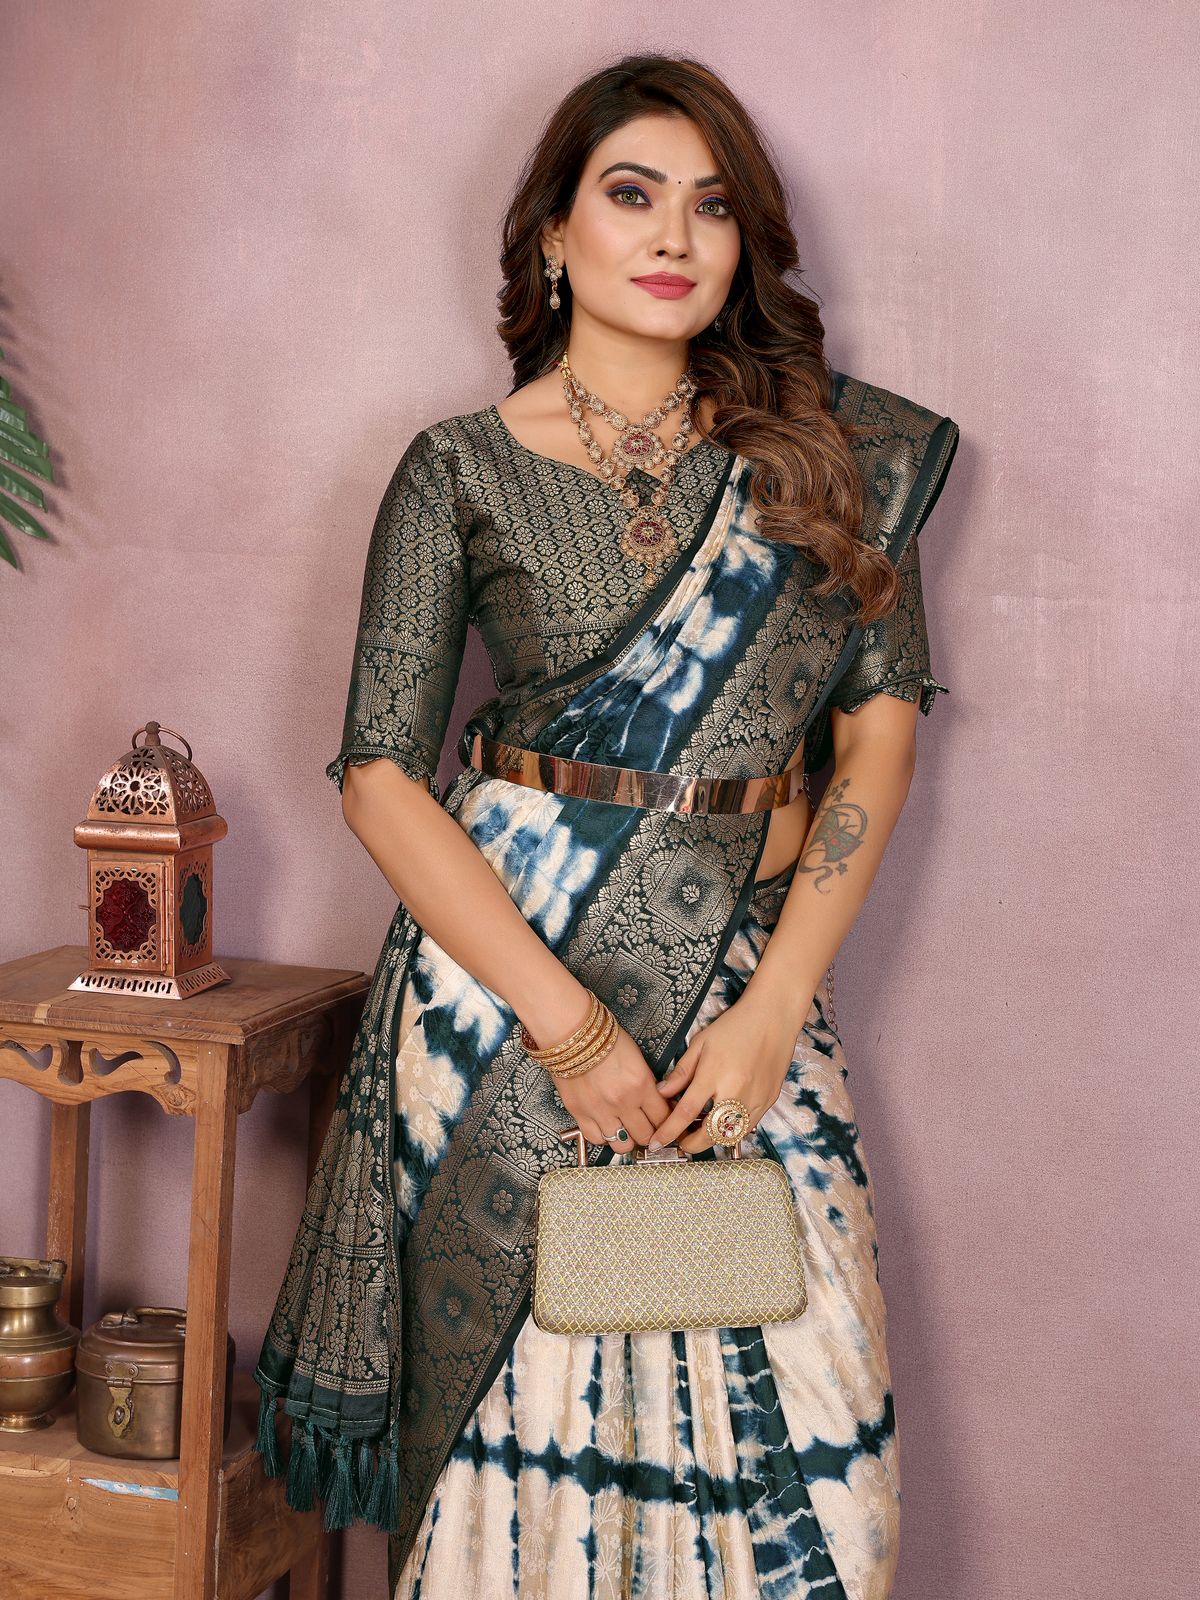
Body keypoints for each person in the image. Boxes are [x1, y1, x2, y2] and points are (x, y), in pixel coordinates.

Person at [251, 51, 959, 1600]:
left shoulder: (820, 459)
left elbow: (881, 729)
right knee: (541, 1447)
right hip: (511, 1010)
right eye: (630, 194)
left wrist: (777, 1006)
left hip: (737, 996)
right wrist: (569, 1030)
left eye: (714, 207)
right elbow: (381, 771)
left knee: (785, 1455)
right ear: (551, 235)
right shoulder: (459, 469)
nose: (677, 236)